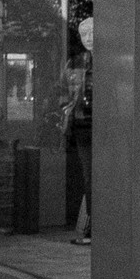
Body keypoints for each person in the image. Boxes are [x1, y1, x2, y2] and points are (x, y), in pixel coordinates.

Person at [61, 18, 94, 245]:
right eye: (84, 34)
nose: (88, 38)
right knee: (89, 176)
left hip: (106, 126)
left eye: (92, 33)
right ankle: (91, 227)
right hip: (83, 127)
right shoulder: (75, 62)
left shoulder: (110, 60)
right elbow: (62, 91)